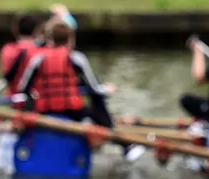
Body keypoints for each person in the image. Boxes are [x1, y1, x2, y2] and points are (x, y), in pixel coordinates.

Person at [19, 20, 144, 163]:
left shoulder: (37, 59)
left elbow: (23, 89)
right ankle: (125, 145)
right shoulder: (76, 58)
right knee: (98, 107)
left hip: (44, 111)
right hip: (72, 111)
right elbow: (94, 88)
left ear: (50, 39)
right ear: (70, 39)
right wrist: (107, 89)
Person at [1, 12, 44, 96]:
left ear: (15, 30)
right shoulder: (40, 52)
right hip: (33, 99)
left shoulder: (6, 49)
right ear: (36, 30)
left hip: (12, 98)